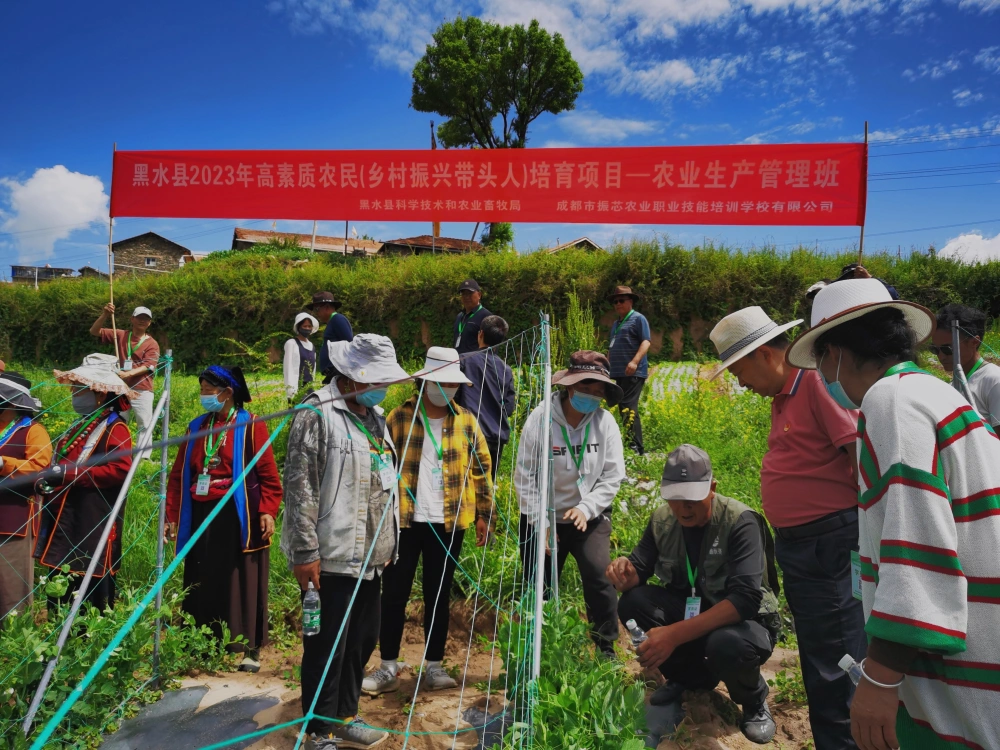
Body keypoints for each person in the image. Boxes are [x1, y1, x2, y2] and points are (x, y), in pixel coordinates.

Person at [786, 278, 1000, 750]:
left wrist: (879, 679)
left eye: (820, 360)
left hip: (964, 677)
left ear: (837, 352)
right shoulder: (936, 394)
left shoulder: (891, 401)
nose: (821, 374)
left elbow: (917, 550)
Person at [709, 306, 865, 750]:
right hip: (805, 546)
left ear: (765, 354)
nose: (739, 382)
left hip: (830, 544)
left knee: (836, 659)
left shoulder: (816, 383)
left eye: (739, 369)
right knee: (820, 653)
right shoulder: (784, 395)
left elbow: (858, 456)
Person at [282, 334, 409, 750]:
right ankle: (317, 730)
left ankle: (346, 714)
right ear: (352, 376)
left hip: (370, 556)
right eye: (378, 380)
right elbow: (301, 489)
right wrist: (305, 553)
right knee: (325, 647)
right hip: (330, 554)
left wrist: (388, 541)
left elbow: (381, 483)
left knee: (360, 640)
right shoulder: (316, 414)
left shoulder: (374, 416)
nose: (384, 388)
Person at [607, 444, 781, 745]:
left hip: (742, 625)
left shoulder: (740, 522)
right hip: (692, 614)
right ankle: (690, 679)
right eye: (676, 498)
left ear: (712, 488)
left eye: (692, 498)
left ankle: (753, 699)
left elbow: (744, 600)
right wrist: (625, 574)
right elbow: (639, 567)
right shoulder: (663, 520)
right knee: (634, 603)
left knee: (725, 643)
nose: (684, 507)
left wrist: (673, 634)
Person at [363, 346, 493, 697]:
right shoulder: (399, 417)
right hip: (405, 521)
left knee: (438, 594)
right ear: (424, 382)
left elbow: (482, 470)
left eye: (452, 383)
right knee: (394, 594)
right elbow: (379, 466)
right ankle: (388, 665)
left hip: (450, 522)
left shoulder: (466, 420)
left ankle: (434, 665)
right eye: (441, 382)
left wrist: (484, 515)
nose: (446, 389)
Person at [165, 365, 282, 673]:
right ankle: (202, 643)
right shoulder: (196, 427)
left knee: (242, 576)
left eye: (208, 391)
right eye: (202, 390)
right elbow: (178, 475)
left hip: (237, 513)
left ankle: (248, 648)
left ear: (227, 393)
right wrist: (172, 514)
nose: (204, 396)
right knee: (202, 577)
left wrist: (268, 509)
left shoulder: (252, 426)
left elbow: (269, 475)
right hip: (201, 511)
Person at [514, 350, 625, 657]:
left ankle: (605, 647)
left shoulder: (605, 424)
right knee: (540, 583)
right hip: (543, 514)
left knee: (599, 573)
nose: (591, 396)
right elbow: (524, 475)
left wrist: (586, 508)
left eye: (597, 391)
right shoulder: (540, 420)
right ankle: (538, 649)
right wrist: (543, 521)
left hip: (589, 516)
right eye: (585, 389)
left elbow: (613, 476)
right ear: (568, 387)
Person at [34, 354, 134, 612]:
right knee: (63, 568)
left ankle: (87, 632)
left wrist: (70, 475)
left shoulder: (115, 428)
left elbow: (119, 469)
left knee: (88, 566)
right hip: (67, 511)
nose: (74, 395)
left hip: (92, 513)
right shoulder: (84, 423)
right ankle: (60, 629)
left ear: (99, 394)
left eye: (79, 390)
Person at [0, 372, 51, 622]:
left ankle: (15, 643)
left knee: (11, 587)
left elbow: (40, 469)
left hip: (15, 519)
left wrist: (3, 463)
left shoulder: (33, 431)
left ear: (9, 402)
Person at [90, 303, 160, 458]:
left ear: (149, 322)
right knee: (119, 420)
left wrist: (128, 374)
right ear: (132, 319)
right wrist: (105, 315)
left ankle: (143, 457)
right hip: (120, 388)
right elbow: (94, 331)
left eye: (146, 319)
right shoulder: (120, 335)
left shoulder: (152, 343)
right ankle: (118, 451)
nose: (142, 321)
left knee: (144, 422)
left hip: (142, 388)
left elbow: (149, 365)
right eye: (139, 317)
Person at [455, 314, 516, 481]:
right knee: (487, 489)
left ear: (480, 334)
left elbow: (455, 395)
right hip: (495, 438)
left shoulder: (464, 361)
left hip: (468, 435)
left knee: (463, 488)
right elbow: (509, 408)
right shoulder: (506, 369)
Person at [933, 303, 1000, 427]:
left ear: (974, 342)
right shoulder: (953, 385)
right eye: (935, 350)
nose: (941, 356)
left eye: (947, 349)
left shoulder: (994, 380)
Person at [607, 285, 651, 455]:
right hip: (618, 372)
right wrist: (606, 365)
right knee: (623, 408)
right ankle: (630, 443)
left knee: (628, 407)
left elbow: (646, 341)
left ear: (630, 302)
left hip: (633, 371)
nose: (618, 304)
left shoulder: (639, 319)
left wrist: (634, 362)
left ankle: (636, 448)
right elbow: (611, 347)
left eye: (621, 300)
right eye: (615, 301)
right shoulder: (616, 323)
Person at [309, 291, 354, 383]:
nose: (316, 313)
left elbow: (349, 344)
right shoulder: (332, 321)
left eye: (317, 309)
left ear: (327, 307)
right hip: (332, 373)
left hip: (337, 372)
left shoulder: (338, 319)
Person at [283, 312, 319, 405]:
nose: (307, 328)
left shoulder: (311, 345)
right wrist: (291, 392)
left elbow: (313, 369)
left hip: (309, 387)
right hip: (297, 387)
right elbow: (288, 368)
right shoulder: (291, 343)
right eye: (304, 326)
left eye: (309, 326)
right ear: (299, 327)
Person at [452, 279, 491, 354]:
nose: (466, 297)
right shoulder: (459, 316)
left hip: (475, 364)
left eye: (470, 293)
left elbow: (491, 347)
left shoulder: (487, 317)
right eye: (463, 294)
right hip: (458, 362)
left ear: (479, 295)